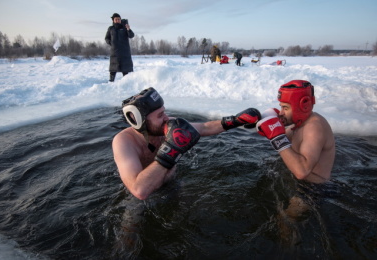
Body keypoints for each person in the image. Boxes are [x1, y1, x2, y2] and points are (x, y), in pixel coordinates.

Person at [112, 87, 261, 200]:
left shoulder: (168, 125)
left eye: (164, 112)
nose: (166, 118)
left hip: (173, 182)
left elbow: (204, 127)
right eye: (159, 115)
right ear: (141, 122)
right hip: (140, 197)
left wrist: (235, 120)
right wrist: (171, 150)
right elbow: (139, 190)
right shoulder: (124, 142)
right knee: (130, 230)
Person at [255, 80, 336, 243]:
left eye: (285, 108)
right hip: (307, 186)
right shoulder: (300, 124)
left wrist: (276, 136)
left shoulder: (314, 127)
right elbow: (281, 137)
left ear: (303, 106)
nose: (281, 112)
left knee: (283, 220)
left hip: (314, 190)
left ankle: (288, 252)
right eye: (281, 107)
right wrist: (259, 123)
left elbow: (302, 171)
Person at [105, 13, 135, 82]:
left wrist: (128, 29)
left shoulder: (125, 28)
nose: (117, 20)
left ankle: (126, 82)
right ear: (113, 20)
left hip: (124, 51)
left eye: (119, 19)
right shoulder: (111, 29)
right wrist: (111, 43)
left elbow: (131, 35)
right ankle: (111, 81)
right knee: (113, 68)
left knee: (125, 69)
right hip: (114, 52)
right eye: (116, 19)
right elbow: (107, 38)